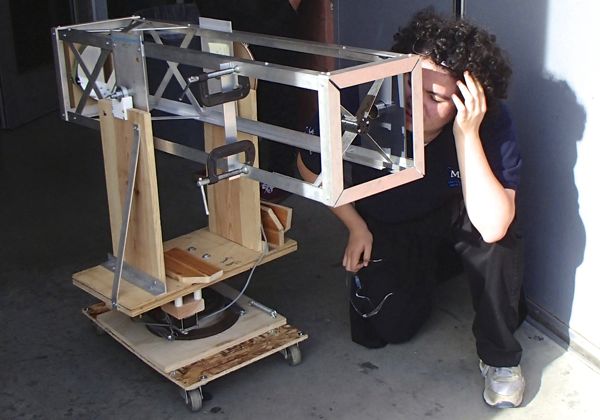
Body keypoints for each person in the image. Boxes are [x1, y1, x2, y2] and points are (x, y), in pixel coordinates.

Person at [297, 8, 526, 408]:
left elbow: (493, 225)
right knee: (387, 330)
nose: (412, 102)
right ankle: (421, 273)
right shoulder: (363, 95)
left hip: (455, 215)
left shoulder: (487, 121)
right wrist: (354, 225)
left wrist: (466, 134)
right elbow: (308, 165)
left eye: (434, 98)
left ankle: (501, 359)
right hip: (389, 220)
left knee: (498, 241)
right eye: (408, 82)